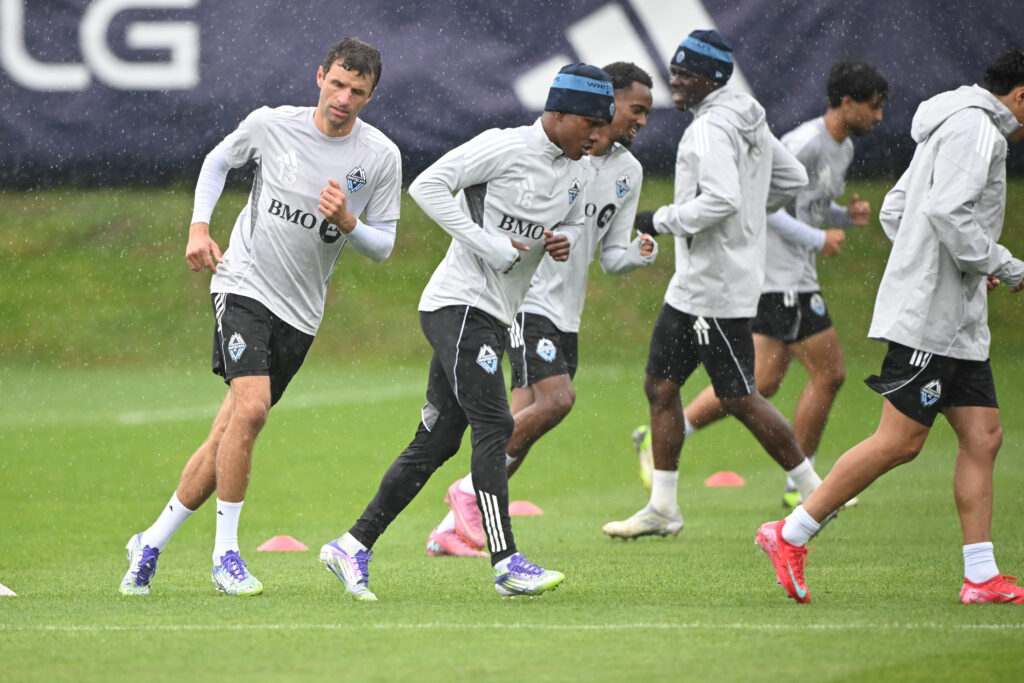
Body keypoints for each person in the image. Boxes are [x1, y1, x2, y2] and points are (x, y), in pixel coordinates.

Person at [318, 63, 615, 600]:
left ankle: (351, 545)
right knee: (496, 424)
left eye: (604, 126)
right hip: (457, 306)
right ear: (560, 112)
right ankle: (506, 563)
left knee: (436, 442)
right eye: (592, 124)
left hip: (493, 316)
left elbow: (571, 218)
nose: (599, 136)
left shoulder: (580, 168)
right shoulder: (504, 147)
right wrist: (488, 245)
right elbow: (429, 186)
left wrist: (563, 237)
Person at [119, 38, 401, 596]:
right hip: (244, 284)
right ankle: (226, 556)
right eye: (337, 83)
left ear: (371, 96)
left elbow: (383, 246)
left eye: (357, 91)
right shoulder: (272, 125)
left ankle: (149, 541)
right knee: (251, 410)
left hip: (301, 312)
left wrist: (348, 220)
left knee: (229, 429)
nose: (343, 98)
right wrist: (199, 228)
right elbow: (218, 159)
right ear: (320, 75)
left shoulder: (380, 157)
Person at [756, 49, 1024, 605]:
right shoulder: (981, 132)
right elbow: (948, 214)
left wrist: (959, 262)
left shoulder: (950, 122)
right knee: (900, 441)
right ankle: (790, 532)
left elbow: (896, 210)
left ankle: (980, 576)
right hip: (931, 317)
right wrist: (998, 264)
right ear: (1022, 96)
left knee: (984, 435)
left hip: (953, 318)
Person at [424, 62, 658, 557]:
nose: (640, 122)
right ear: (604, 103)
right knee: (556, 401)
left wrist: (640, 253)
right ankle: (468, 492)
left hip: (566, 310)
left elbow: (609, 255)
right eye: (634, 110)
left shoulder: (628, 173)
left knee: (519, 425)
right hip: (529, 303)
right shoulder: (560, 154)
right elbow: (441, 188)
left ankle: (452, 527)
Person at [601, 29, 810, 540]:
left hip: (712, 284)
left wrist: (661, 219)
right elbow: (792, 179)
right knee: (662, 386)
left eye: (685, 72)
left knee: (739, 397)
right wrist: (747, 226)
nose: (675, 79)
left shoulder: (709, 129)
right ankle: (663, 508)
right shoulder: (747, 116)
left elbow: (720, 200)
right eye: (674, 69)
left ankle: (815, 492)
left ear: (711, 78)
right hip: (706, 279)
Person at [673, 61, 888, 510]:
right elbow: (764, 205)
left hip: (797, 276)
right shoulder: (804, 142)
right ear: (846, 102)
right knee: (822, 375)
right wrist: (817, 238)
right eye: (874, 106)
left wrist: (844, 218)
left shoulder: (842, 148)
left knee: (766, 381)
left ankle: (673, 428)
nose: (880, 117)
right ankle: (803, 480)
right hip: (776, 275)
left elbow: (807, 205)